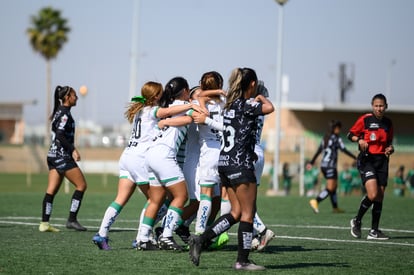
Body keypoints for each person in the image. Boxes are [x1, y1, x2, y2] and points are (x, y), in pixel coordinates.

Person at [92, 82, 202, 250]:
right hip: (140, 158)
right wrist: (190, 105)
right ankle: (142, 238)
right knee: (155, 200)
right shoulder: (152, 110)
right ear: (156, 96)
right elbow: (168, 111)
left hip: (127, 156)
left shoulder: (140, 110)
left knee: (120, 200)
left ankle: (101, 234)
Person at [189, 67, 274, 271]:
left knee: (235, 213)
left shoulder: (228, 105)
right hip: (241, 162)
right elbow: (270, 108)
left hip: (224, 162)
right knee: (247, 213)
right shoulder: (248, 105)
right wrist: (261, 97)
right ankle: (242, 261)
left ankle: (200, 240)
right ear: (252, 85)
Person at [136, 76, 196, 251]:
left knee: (156, 200)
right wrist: (196, 104)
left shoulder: (166, 106)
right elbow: (192, 118)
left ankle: (142, 238)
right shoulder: (186, 106)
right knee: (181, 197)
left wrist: (167, 121)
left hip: (151, 155)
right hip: (164, 155)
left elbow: (175, 119)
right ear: (185, 91)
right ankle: (167, 235)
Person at [39, 85, 87, 232]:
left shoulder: (58, 112)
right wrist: (73, 150)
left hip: (52, 155)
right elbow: (60, 135)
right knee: (81, 186)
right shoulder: (65, 114)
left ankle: (44, 223)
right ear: (67, 98)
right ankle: (72, 219)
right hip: (62, 156)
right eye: (74, 95)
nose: (76, 97)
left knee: (51, 190)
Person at [348, 93, 394, 240]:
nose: (379, 108)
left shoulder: (388, 123)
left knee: (379, 196)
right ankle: (357, 220)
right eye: (376, 105)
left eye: (381, 106)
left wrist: (390, 149)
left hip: (382, 161)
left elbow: (389, 143)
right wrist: (360, 140)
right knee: (373, 194)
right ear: (372, 106)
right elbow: (350, 135)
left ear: (386, 106)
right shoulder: (365, 119)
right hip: (367, 160)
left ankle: (374, 231)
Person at [309, 120, 357, 213]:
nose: (339, 130)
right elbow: (343, 149)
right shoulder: (336, 138)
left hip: (323, 166)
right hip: (331, 166)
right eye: (339, 128)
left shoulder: (325, 138)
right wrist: (355, 157)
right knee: (331, 187)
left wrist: (312, 162)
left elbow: (319, 150)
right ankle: (316, 200)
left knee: (334, 187)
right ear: (335, 129)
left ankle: (335, 208)